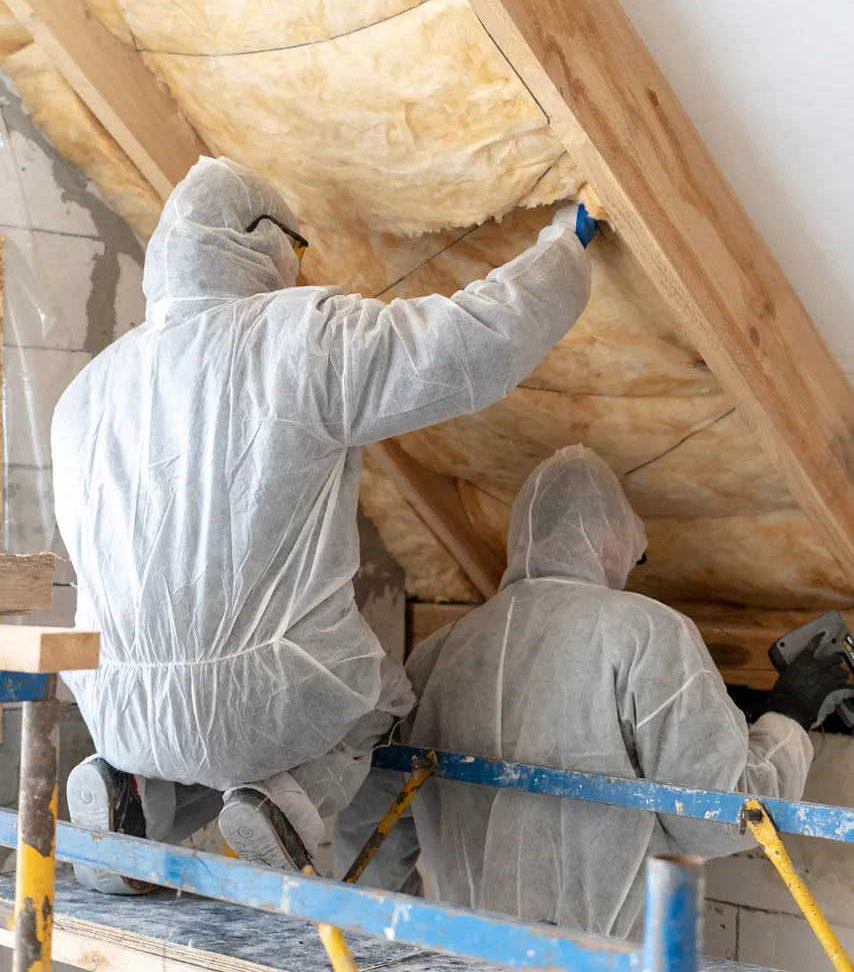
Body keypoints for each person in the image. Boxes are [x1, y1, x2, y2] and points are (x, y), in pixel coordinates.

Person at [52, 156, 598, 893]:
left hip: (115, 704)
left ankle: (130, 799)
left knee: (197, 736)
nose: (300, 271)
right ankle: (286, 803)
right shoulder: (302, 338)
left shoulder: (86, 392)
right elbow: (475, 345)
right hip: (270, 702)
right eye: (298, 251)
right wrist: (563, 251)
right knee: (378, 707)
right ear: (259, 240)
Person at [335, 445, 851, 938]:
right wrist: (789, 713)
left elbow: (371, 821)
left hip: (465, 956)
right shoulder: (644, 633)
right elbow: (718, 819)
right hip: (596, 961)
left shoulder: (438, 652)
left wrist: (402, 945)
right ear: (611, 539)